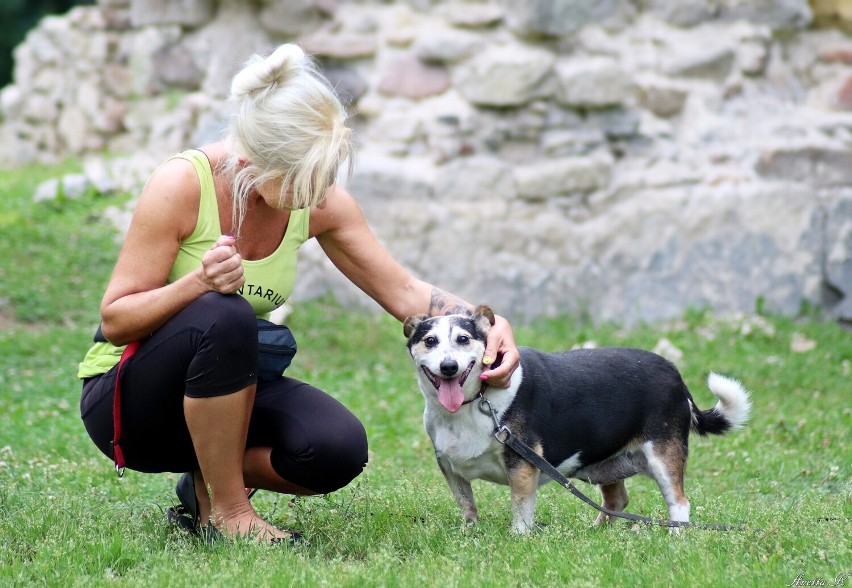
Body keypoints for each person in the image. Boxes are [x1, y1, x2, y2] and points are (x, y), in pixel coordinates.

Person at [77, 43, 519, 544]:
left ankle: (204, 482)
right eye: (306, 177)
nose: (320, 190)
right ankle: (227, 512)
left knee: (335, 449)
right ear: (252, 161)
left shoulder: (317, 198)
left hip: (218, 396)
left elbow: (402, 290)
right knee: (224, 313)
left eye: (327, 174)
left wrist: (488, 325)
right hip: (128, 403)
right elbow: (115, 319)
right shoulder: (181, 184)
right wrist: (197, 283)